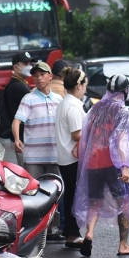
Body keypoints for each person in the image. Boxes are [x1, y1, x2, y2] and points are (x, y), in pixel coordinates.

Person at [73, 74, 129, 257]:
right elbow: (121, 140)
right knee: (124, 203)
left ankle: (89, 233)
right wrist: (125, 166)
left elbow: (86, 135)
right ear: (125, 90)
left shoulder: (96, 108)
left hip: (92, 162)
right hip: (113, 164)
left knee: (94, 202)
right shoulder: (122, 111)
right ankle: (123, 245)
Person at [55, 67, 88, 248]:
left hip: (65, 156)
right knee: (75, 196)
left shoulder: (65, 102)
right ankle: (72, 233)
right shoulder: (73, 105)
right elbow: (77, 134)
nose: (85, 89)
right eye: (85, 86)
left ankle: (70, 232)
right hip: (72, 158)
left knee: (70, 195)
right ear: (78, 85)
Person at [12, 60, 62, 180]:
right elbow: (17, 121)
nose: (39, 78)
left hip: (54, 155)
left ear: (50, 76)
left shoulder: (58, 99)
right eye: (35, 75)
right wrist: (17, 139)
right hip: (33, 157)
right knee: (34, 190)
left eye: (42, 74)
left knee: (56, 190)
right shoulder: (28, 99)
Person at [0, 50, 33, 163]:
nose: (29, 67)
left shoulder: (19, 83)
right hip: (21, 140)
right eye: (25, 64)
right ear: (16, 67)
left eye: (30, 64)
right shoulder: (18, 87)